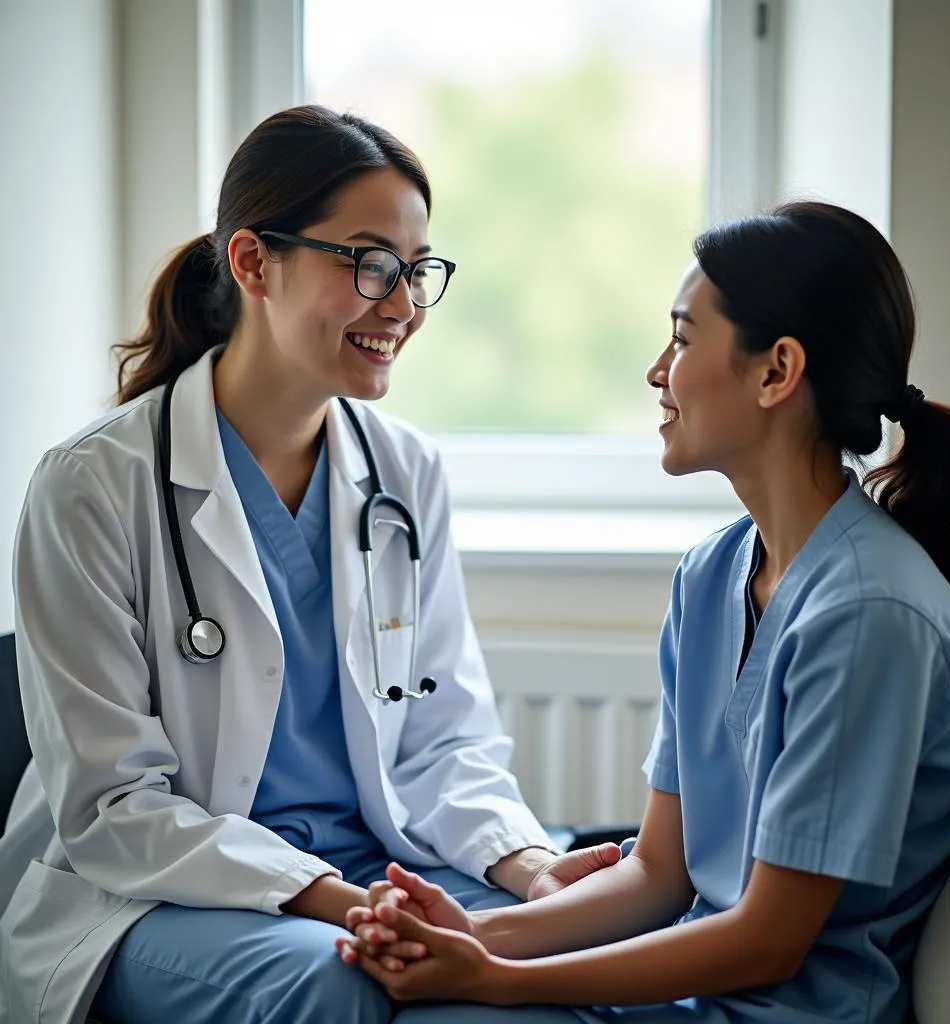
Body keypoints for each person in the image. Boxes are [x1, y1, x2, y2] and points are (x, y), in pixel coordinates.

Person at [0, 105, 619, 1024]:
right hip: (158, 896)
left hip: (382, 866)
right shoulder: (92, 488)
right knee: (336, 983)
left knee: (542, 990)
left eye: (415, 272)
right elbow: (113, 808)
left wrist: (526, 866)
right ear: (253, 262)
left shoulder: (405, 473)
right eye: (370, 264)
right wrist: (341, 902)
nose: (402, 306)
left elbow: (448, 740)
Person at [339, 201, 950, 1024]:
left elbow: (767, 942)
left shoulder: (870, 615)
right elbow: (659, 873)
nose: (658, 371)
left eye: (684, 338)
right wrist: (483, 933)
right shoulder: (712, 574)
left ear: (776, 371)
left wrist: (493, 979)